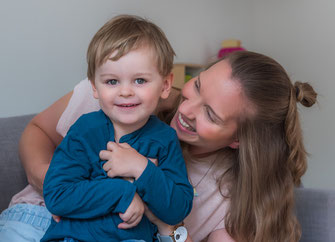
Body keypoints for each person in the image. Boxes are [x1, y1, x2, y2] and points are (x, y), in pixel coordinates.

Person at [0, 28, 317, 242]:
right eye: (197, 85)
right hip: (42, 217)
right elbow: (37, 131)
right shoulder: (122, 95)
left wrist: (166, 224)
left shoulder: (232, 198)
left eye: (210, 114)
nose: (187, 109)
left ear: (238, 139)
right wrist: (60, 189)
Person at [38, 15, 193, 242]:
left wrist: (141, 168)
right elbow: (57, 195)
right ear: (94, 87)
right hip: (72, 238)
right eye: (112, 81)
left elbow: (178, 208)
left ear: (165, 85)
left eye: (139, 80)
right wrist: (122, 193)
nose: (125, 92)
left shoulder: (165, 139)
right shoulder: (85, 130)